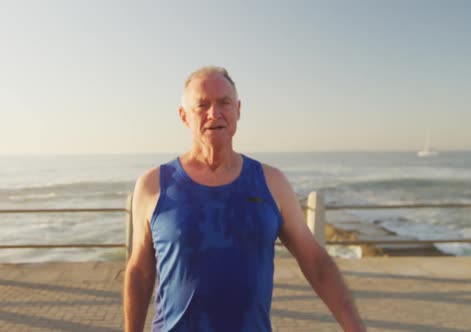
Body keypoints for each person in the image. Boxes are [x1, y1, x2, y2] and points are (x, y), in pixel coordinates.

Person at [123, 66, 365, 332]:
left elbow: (316, 263)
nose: (214, 113)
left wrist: (355, 328)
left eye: (224, 102)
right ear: (184, 116)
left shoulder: (272, 183)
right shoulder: (152, 185)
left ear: (238, 109)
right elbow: (140, 272)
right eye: (202, 105)